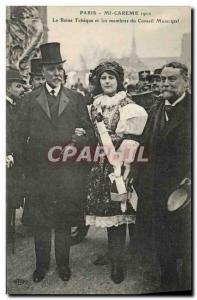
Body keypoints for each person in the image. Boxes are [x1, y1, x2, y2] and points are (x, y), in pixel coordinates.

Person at [17, 42, 96, 283]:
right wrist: (24, 171)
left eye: (59, 68)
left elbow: (89, 131)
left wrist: (79, 141)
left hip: (67, 171)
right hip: (39, 172)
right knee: (41, 224)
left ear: (63, 70)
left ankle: (63, 265)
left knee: (63, 221)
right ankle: (41, 267)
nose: (56, 73)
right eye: (50, 69)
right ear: (42, 72)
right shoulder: (29, 100)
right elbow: (19, 137)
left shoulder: (76, 98)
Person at [86, 61, 148, 284]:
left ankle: (118, 263)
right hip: (100, 165)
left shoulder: (128, 105)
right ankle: (113, 253)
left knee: (120, 214)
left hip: (121, 165)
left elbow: (132, 139)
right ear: (98, 81)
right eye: (103, 78)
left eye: (111, 77)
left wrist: (125, 168)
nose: (107, 81)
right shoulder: (94, 104)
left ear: (118, 80)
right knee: (107, 213)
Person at [135, 62, 191, 292]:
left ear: (186, 82)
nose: (165, 84)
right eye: (163, 79)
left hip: (184, 188)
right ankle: (168, 280)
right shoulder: (156, 108)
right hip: (156, 186)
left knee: (188, 240)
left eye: (172, 79)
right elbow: (144, 144)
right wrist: (134, 172)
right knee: (162, 237)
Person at [6, 68, 25, 243]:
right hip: (7, 157)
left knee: (11, 195)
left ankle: (8, 230)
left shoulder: (16, 105)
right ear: (7, 88)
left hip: (15, 158)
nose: (21, 90)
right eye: (18, 86)